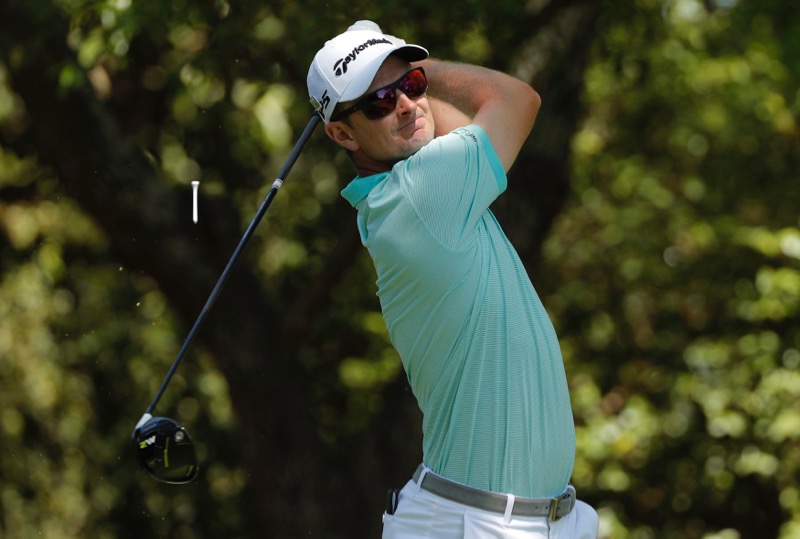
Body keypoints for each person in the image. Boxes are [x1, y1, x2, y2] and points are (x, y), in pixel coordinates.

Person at [307, 21, 599, 538]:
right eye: (376, 101)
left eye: (411, 88)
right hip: (476, 524)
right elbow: (515, 99)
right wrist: (426, 71)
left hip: (536, 520)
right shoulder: (421, 194)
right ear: (341, 134)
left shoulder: (413, 188)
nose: (403, 105)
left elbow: (448, 123)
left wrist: (394, 78)